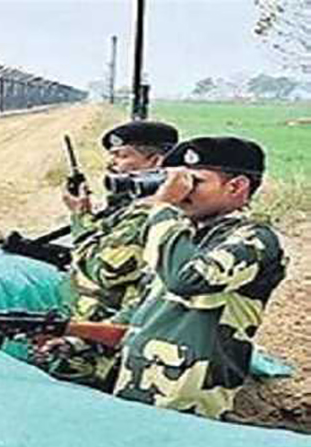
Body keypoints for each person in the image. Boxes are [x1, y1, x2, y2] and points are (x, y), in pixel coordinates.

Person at [110, 136, 287, 420]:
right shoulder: (184, 235)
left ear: (236, 186)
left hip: (192, 398)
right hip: (139, 382)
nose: (181, 192)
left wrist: (163, 205)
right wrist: (74, 336)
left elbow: (187, 280)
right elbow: (145, 308)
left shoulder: (255, 239)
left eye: (194, 182)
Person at [27, 121, 179, 390]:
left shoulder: (151, 212)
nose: (112, 164)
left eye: (122, 156)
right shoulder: (132, 207)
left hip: (105, 340)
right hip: (90, 329)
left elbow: (107, 269)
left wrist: (80, 216)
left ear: (156, 161)